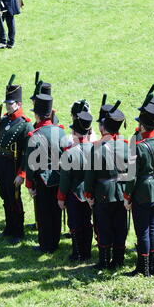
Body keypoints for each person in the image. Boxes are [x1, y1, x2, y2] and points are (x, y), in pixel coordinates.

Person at [0, 83, 33, 244]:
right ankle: (9, 227)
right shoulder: (3, 120)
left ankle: (18, 230)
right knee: (5, 196)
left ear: (19, 104)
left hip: (13, 166)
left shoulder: (25, 124)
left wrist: (22, 174)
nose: (8, 106)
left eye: (10, 104)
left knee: (15, 198)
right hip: (0, 164)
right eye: (7, 103)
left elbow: (27, 153)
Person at [124, 104, 154, 277]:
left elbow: (132, 176)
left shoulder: (138, 146)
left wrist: (127, 195)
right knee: (152, 227)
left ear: (142, 126)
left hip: (142, 191)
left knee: (142, 230)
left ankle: (143, 268)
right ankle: (152, 267)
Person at [84, 102, 129, 270]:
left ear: (104, 127)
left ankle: (103, 261)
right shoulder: (126, 146)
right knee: (120, 226)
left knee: (103, 227)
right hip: (122, 193)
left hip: (102, 193)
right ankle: (118, 260)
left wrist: (88, 195)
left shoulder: (96, 148)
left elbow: (89, 177)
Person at [25, 94, 65, 254]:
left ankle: (46, 244)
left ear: (37, 115)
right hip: (60, 178)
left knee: (43, 214)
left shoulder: (35, 135)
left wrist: (29, 184)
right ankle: (55, 242)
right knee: (56, 211)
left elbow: (30, 163)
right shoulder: (61, 132)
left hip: (42, 180)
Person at [58, 112, 94, 262]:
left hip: (74, 193)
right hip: (91, 192)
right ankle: (87, 252)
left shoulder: (69, 153)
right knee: (87, 222)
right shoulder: (95, 148)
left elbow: (65, 179)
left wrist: (61, 197)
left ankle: (77, 253)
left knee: (74, 223)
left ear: (74, 132)